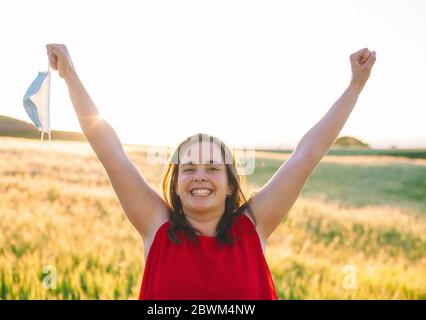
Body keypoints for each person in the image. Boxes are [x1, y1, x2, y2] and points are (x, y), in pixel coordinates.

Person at [46, 43, 376, 300]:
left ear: (231, 184)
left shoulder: (253, 227)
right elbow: (111, 152)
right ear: (175, 185)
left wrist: (355, 87)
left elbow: (307, 154)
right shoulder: (155, 226)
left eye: (213, 168)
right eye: (188, 168)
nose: (200, 176)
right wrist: (70, 75)